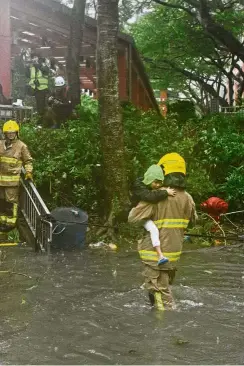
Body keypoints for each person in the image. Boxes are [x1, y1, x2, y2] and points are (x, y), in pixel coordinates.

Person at [129, 153, 197, 310]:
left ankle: (162, 323)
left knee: (157, 290)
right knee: (166, 286)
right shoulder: (188, 198)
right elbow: (192, 221)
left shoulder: (156, 197)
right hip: (174, 254)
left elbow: (132, 217)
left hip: (154, 255)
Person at [0, 120, 33, 243]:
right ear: (5, 133)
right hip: (0, 183)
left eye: (12, 133)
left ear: (16, 133)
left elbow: (28, 161)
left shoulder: (21, 146)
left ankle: (11, 227)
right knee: (2, 204)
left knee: (11, 205)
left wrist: (28, 172)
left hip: (12, 183)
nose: (10, 135)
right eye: (8, 133)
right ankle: (2, 228)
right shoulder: (0, 144)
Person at [141, 164, 176, 265]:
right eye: (155, 182)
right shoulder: (140, 187)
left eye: (160, 183)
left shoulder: (150, 188)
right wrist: (165, 192)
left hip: (147, 215)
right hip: (140, 216)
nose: (157, 185)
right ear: (149, 179)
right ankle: (160, 256)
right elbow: (150, 197)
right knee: (154, 229)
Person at [27, 54, 50, 119]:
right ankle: (40, 118)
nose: (34, 60)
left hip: (42, 89)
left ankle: (42, 119)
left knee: (41, 105)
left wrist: (37, 64)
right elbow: (29, 75)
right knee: (38, 105)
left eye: (35, 58)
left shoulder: (44, 66)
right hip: (35, 89)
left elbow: (45, 70)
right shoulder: (33, 67)